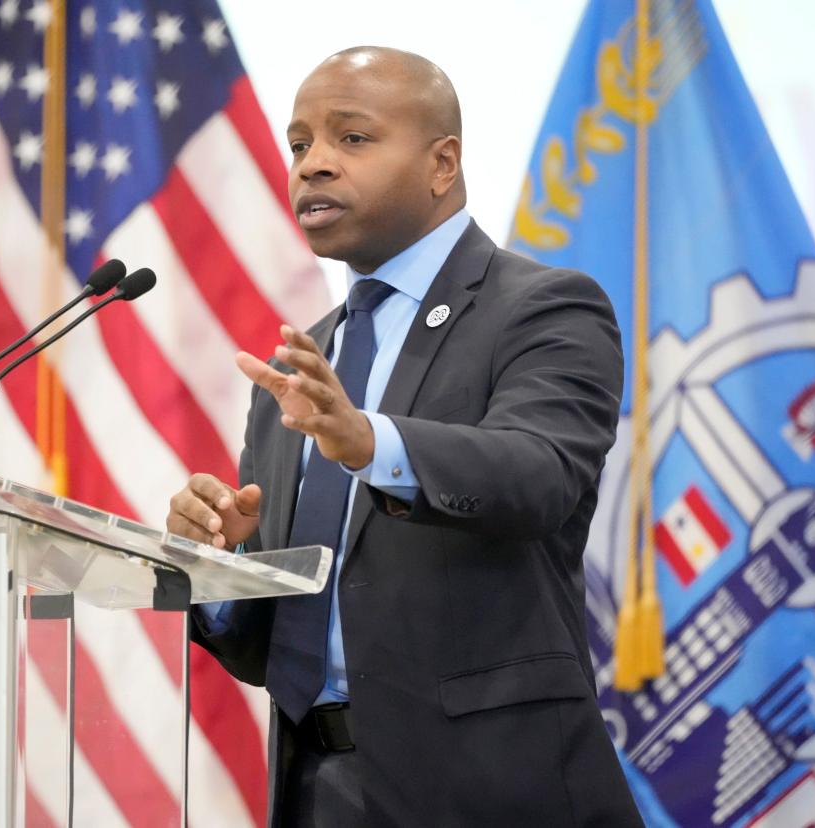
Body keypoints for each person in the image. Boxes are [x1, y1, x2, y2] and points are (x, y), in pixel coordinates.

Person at [166, 45, 643, 827]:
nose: (312, 164)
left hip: (490, 792)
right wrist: (228, 563)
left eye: (351, 138)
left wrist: (369, 442)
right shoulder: (300, 366)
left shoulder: (544, 309)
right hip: (316, 788)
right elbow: (271, 651)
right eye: (299, 144)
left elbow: (538, 473)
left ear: (442, 163)